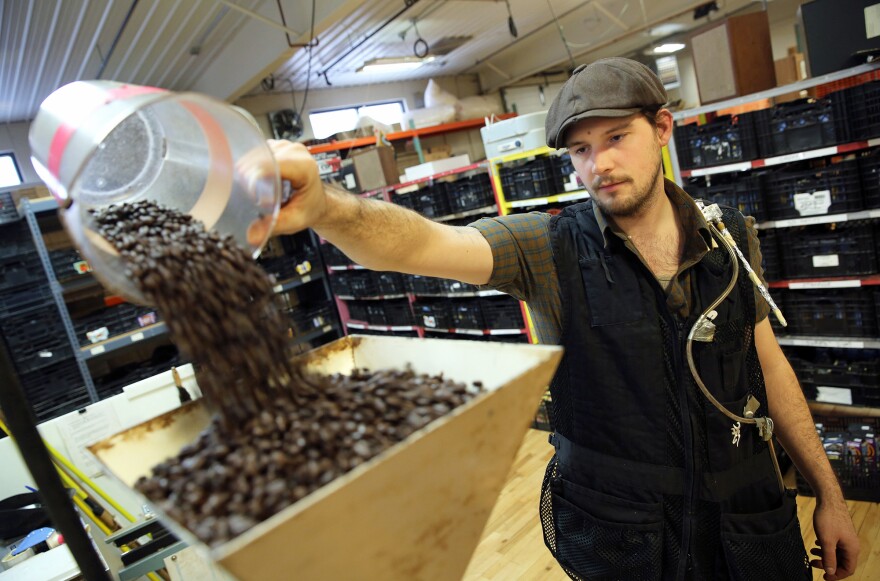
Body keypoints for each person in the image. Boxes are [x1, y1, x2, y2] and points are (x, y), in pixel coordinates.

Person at [254, 58, 860, 581]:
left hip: (749, 525)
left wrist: (828, 492)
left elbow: (769, 367)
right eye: (581, 149)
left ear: (662, 129)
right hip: (628, 542)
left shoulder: (727, 241)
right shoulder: (546, 248)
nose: (599, 164)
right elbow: (420, 245)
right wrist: (326, 206)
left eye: (617, 137)